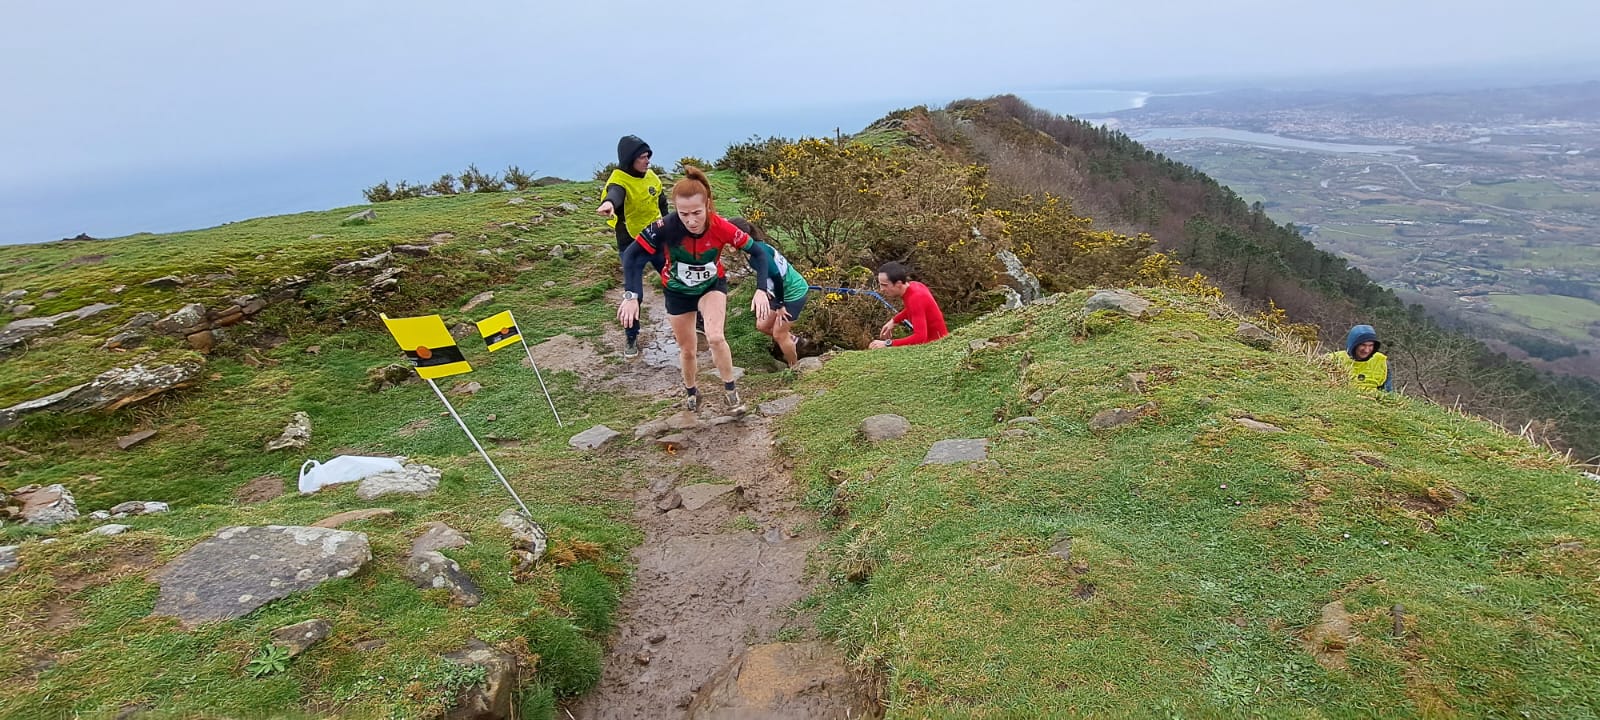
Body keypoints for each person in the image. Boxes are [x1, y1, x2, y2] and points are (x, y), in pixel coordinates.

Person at [618, 168, 773, 411]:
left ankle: (731, 392)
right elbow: (632, 254)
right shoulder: (665, 226)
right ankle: (692, 392)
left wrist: (761, 289)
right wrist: (631, 295)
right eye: (684, 214)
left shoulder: (721, 226)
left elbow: (759, 252)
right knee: (688, 349)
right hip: (677, 292)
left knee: (715, 337)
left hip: (710, 286)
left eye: (697, 213)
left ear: (708, 206)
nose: (691, 220)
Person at [596, 135, 668, 358]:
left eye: (648, 157)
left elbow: (662, 201)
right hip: (632, 243)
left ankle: (698, 320)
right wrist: (608, 204)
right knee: (634, 294)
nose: (647, 162)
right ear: (629, 160)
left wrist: (669, 228)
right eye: (642, 158)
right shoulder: (619, 180)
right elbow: (615, 194)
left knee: (673, 278)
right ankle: (631, 336)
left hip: (657, 238)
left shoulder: (650, 175)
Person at [728, 218, 808, 367]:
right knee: (762, 326)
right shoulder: (755, 249)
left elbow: (777, 277)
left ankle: (795, 368)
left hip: (794, 292)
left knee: (779, 334)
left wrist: (780, 305)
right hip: (779, 291)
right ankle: (794, 340)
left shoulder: (758, 254)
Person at [868, 262, 948, 349]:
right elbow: (913, 309)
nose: (881, 289)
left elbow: (920, 338)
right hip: (940, 340)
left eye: (884, 285)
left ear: (898, 283)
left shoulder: (915, 299)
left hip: (936, 346)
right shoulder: (915, 285)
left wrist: (887, 343)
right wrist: (894, 321)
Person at [1326, 324, 1393, 392]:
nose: (1366, 350)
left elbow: (1387, 392)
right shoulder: (1332, 360)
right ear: (1354, 344)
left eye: (1370, 345)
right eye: (1363, 345)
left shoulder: (1381, 362)